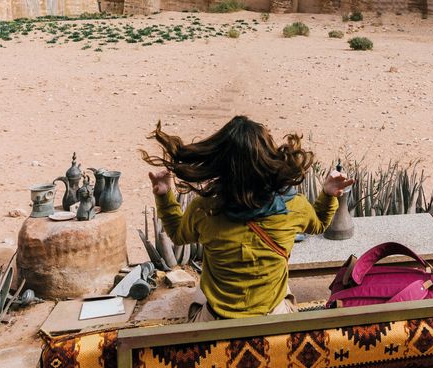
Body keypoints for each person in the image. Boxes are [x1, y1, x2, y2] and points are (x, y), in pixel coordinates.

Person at [144, 115, 353, 321]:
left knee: (201, 290)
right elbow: (318, 225)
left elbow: (178, 236)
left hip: (215, 324)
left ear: (220, 162)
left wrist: (163, 195)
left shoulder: (204, 210)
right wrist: (328, 194)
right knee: (283, 284)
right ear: (268, 158)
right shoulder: (294, 207)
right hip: (274, 321)